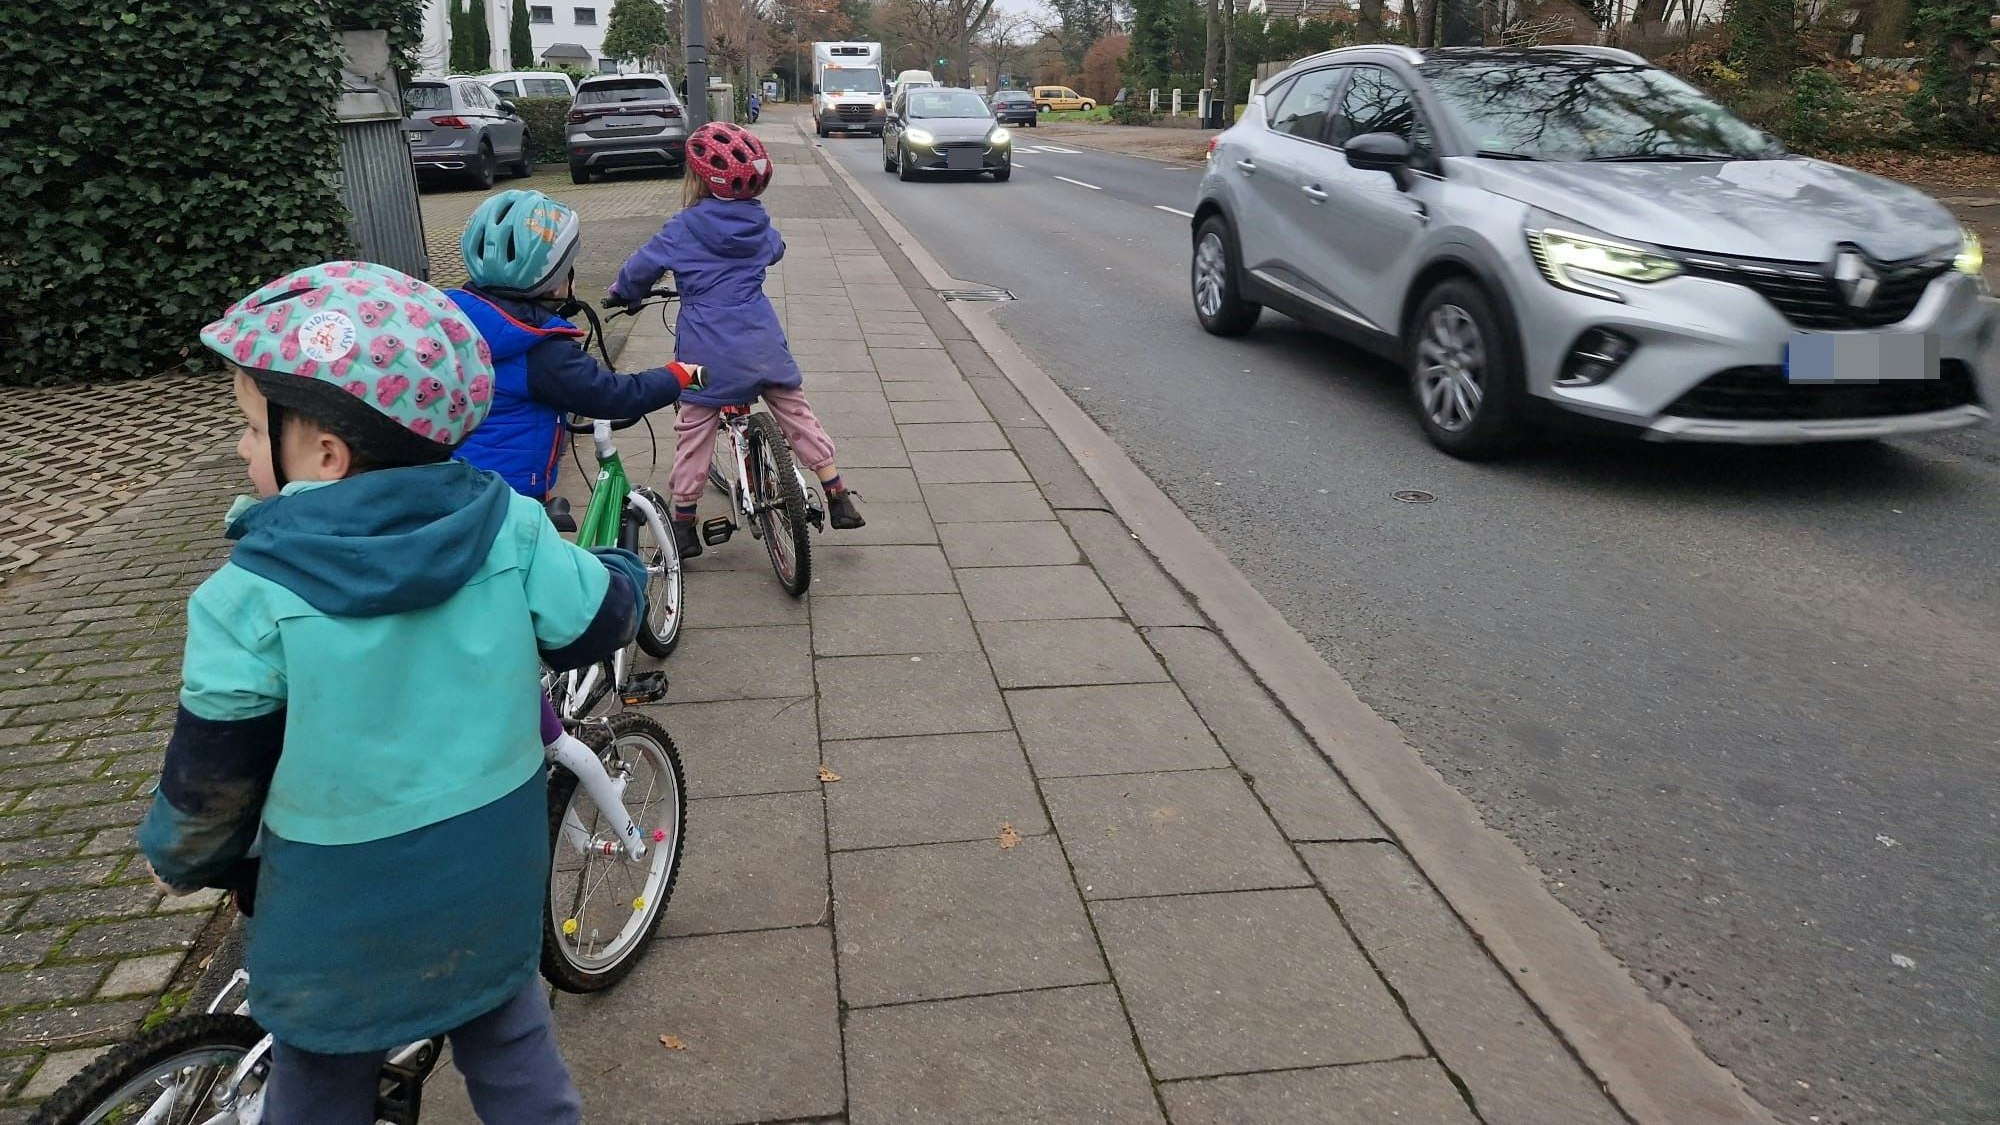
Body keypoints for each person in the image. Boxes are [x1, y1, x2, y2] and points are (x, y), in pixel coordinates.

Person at [137, 261, 653, 1124]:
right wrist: (623, 568)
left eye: (248, 427)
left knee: (322, 1081)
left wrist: (192, 864)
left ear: (325, 454)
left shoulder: (246, 600)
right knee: (514, 1043)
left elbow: (208, 788)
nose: (238, 447)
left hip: (333, 913)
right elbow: (599, 617)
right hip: (491, 872)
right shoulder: (511, 526)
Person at [609, 120, 863, 558]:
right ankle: (836, 491)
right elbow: (776, 248)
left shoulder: (682, 228)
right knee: (796, 412)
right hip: (761, 343)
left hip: (705, 354)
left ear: (696, 180)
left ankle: (685, 522)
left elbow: (640, 269)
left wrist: (622, 294)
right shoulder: (757, 224)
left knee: (694, 429)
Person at [448, 189, 703, 501]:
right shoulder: (541, 349)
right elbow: (611, 395)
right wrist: (678, 375)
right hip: (508, 500)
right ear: (555, 280)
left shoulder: (449, 320)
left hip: (453, 484)